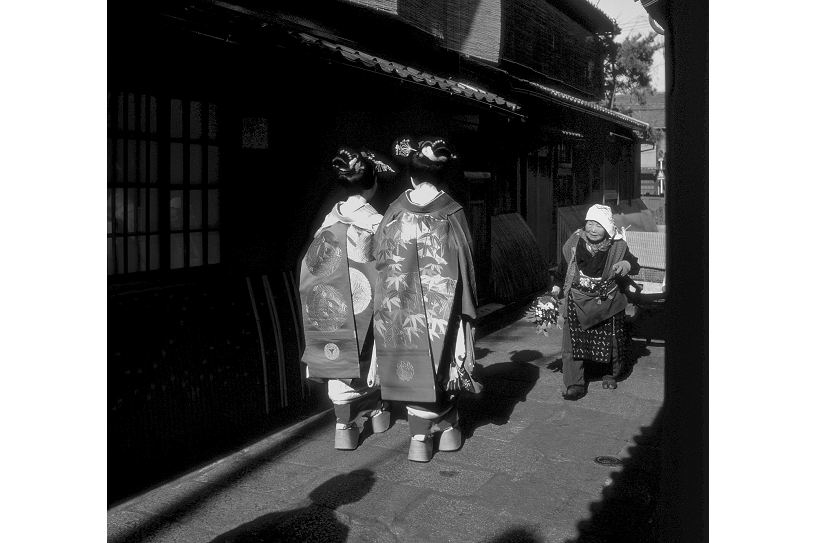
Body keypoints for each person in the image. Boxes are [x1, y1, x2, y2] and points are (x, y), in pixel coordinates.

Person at [372, 137, 480, 462]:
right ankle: (448, 427)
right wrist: (468, 307)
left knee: (409, 363)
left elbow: (377, 255)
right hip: (441, 309)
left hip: (400, 307)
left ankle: (419, 437)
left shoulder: (394, 212)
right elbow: (467, 261)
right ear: (443, 176)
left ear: (411, 176)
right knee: (445, 362)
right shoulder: (453, 212)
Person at [298, 148, 393, 450]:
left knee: (339, 355)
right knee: (372, 355)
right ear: (373, 182)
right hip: (365, 297)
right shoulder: (377, 223)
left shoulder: (328, 221)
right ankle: (377, 410)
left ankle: (344, 424)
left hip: (331, 300)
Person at [557, 204, 640, 401]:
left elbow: (634, 264)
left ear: (608, 228)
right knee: (572, 343)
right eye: (590, 224)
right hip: (578, 298)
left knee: (611, 341)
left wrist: (625, 264)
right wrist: (555, 287)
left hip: (607, 300)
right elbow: (564, 268)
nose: (593, 230)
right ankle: (574, 383)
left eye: (599, 225)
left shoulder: (618, 245)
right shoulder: (575, 242)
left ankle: (611, 372)